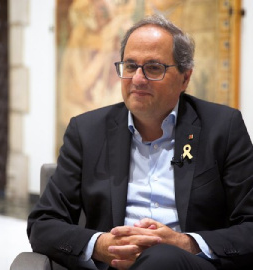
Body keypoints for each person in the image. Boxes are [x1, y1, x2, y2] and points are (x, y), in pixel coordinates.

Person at [27, 14, 253, 270]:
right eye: (131, 66)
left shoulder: (223, 127)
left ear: (185, 78)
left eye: (154, 68)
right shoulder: (87, 131)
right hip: (113, 266)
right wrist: (103, 246)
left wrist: (185, 243)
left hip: (188, 265)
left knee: (162, 258)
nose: (137, 79)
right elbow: (42, 224)